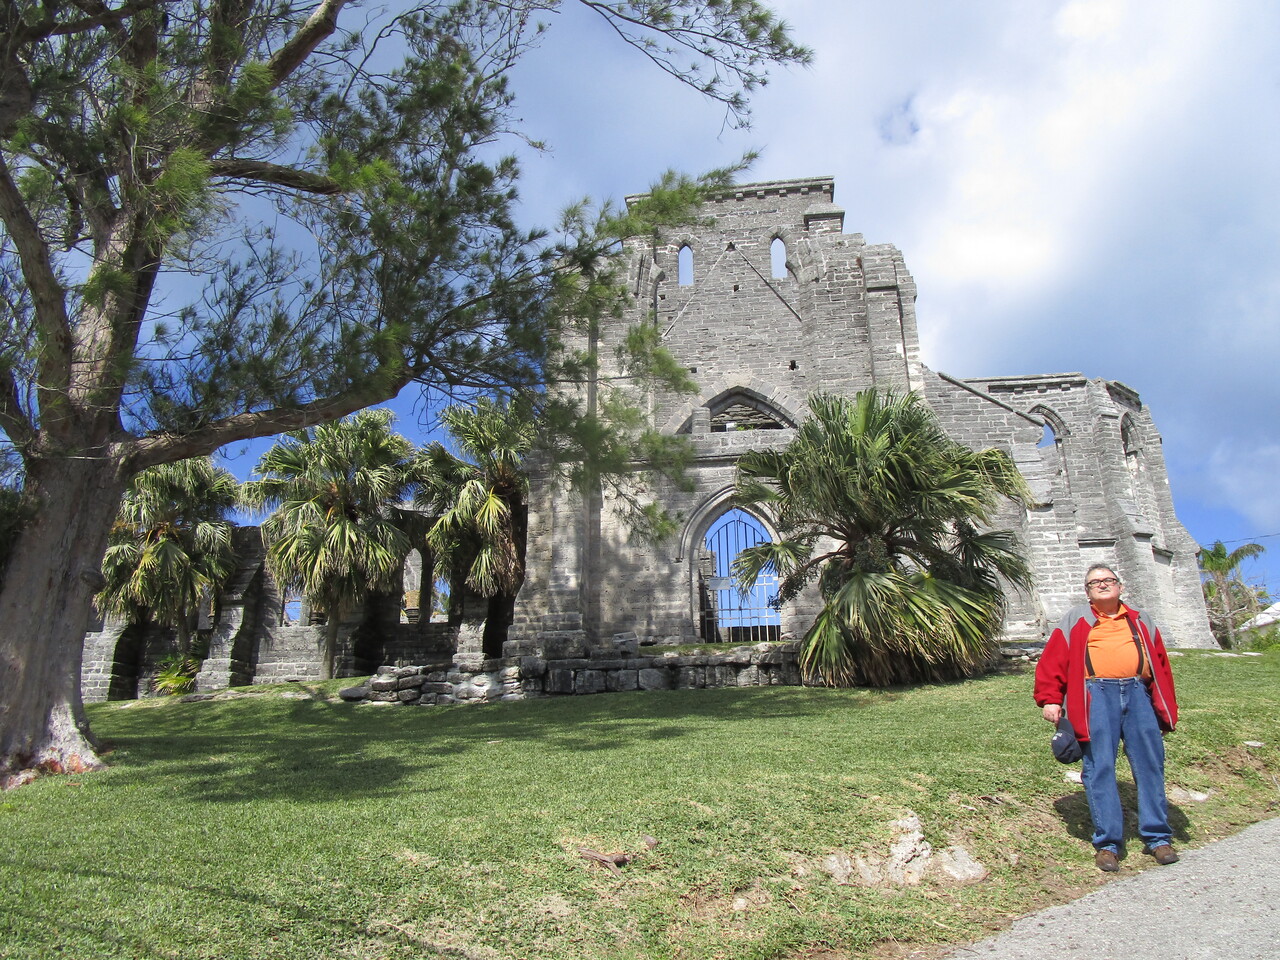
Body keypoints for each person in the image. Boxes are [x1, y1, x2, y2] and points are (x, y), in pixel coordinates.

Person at [1034, 564, 1179, 872]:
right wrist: (1050, 699)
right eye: (1094, 583)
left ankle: (1158, 838)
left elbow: (1161, 665)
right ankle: (1108, 843)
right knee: (1099, 766)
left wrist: (1163, 709)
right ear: (1087, 592)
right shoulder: (1076, 619)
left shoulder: (1140, 620)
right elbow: (1053, 660)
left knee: (1150, 764)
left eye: (1107, 580)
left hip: (1138, 693)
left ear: (1120, 586)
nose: (1102, 585)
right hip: (1094, 695)